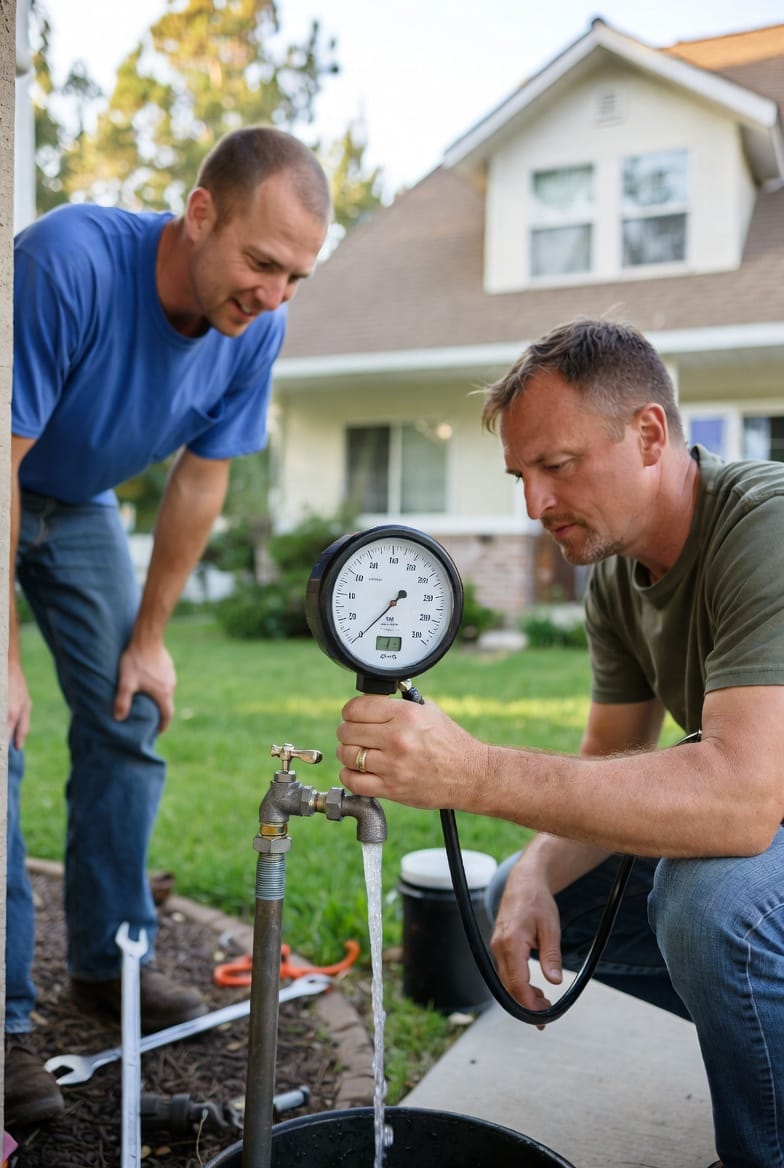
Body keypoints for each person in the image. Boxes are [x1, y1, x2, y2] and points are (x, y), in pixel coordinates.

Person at [336, 318, 784, 1168]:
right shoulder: (618, 574)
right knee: (532, 896)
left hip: (761, 820)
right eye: (520, 475)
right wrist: (537, 871)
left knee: (711, 904)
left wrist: (473, 774)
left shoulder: (765, 526)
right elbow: (609, 768)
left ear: (649, 434)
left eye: (558, 466)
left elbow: (741, 801)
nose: (535, 506)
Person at [6, 125, 331, 1127]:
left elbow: (202, 476)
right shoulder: (65, 264)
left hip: (79, 502)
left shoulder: (255, 329)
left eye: (295, 277)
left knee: (127, 711)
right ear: (198, 213)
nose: (273, 294)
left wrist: (150, 638)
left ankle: (111, 961)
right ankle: (5, 1021)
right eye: (261, 262)